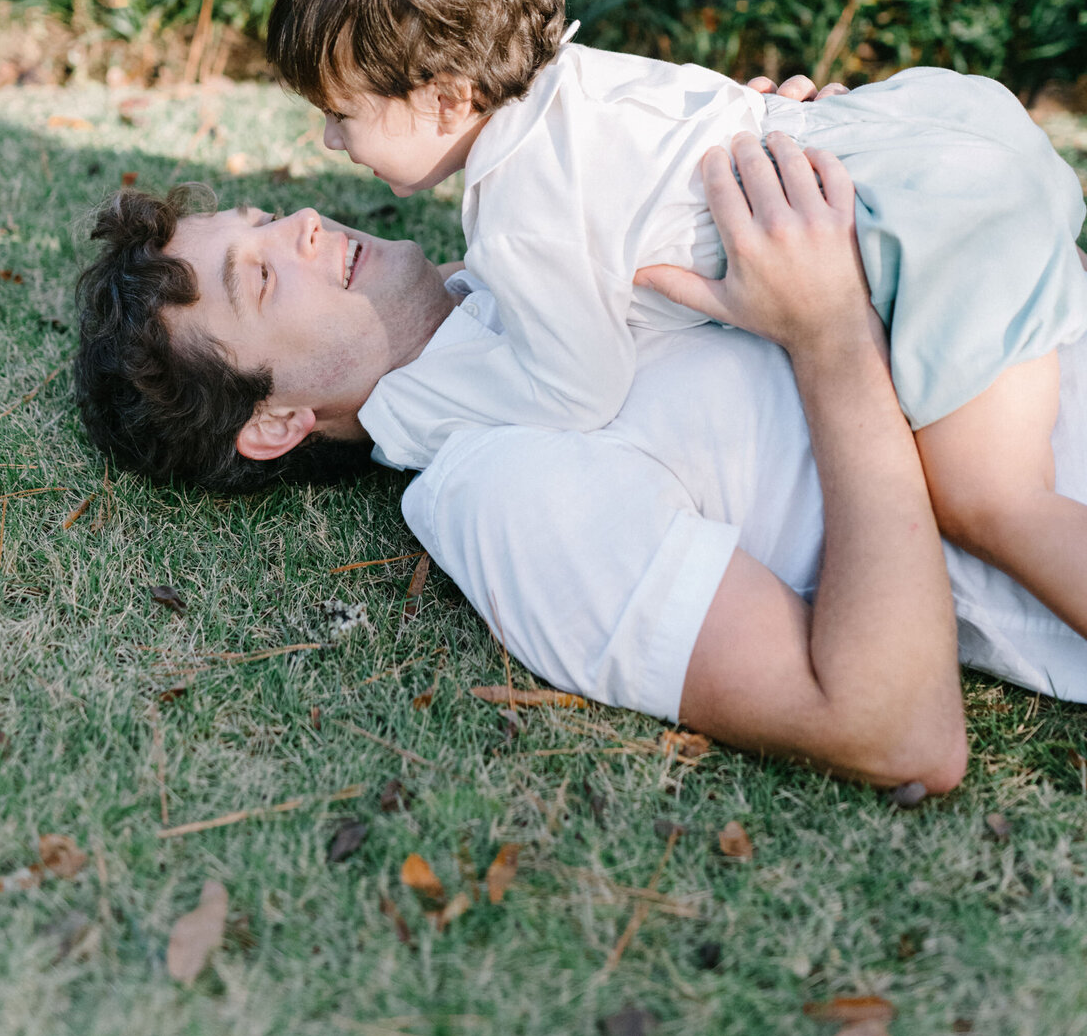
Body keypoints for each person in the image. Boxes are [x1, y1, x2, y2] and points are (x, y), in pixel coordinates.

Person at [265, 0, 1087, 637]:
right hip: (943, 140)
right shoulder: (583, 83)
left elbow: (575, 386)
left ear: (447, 99)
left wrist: (409, 408)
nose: (333, 142)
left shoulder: (522, 212)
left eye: (342, 114)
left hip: (935, 232)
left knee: (995, 501)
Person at [77, 129, 972, 787]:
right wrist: (830, 334)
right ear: (276, 422)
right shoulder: (503, 487)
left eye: (267, 218)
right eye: (262, 277)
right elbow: (896, 730)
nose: (305, 222)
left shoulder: (532, 245)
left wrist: (785, 156)